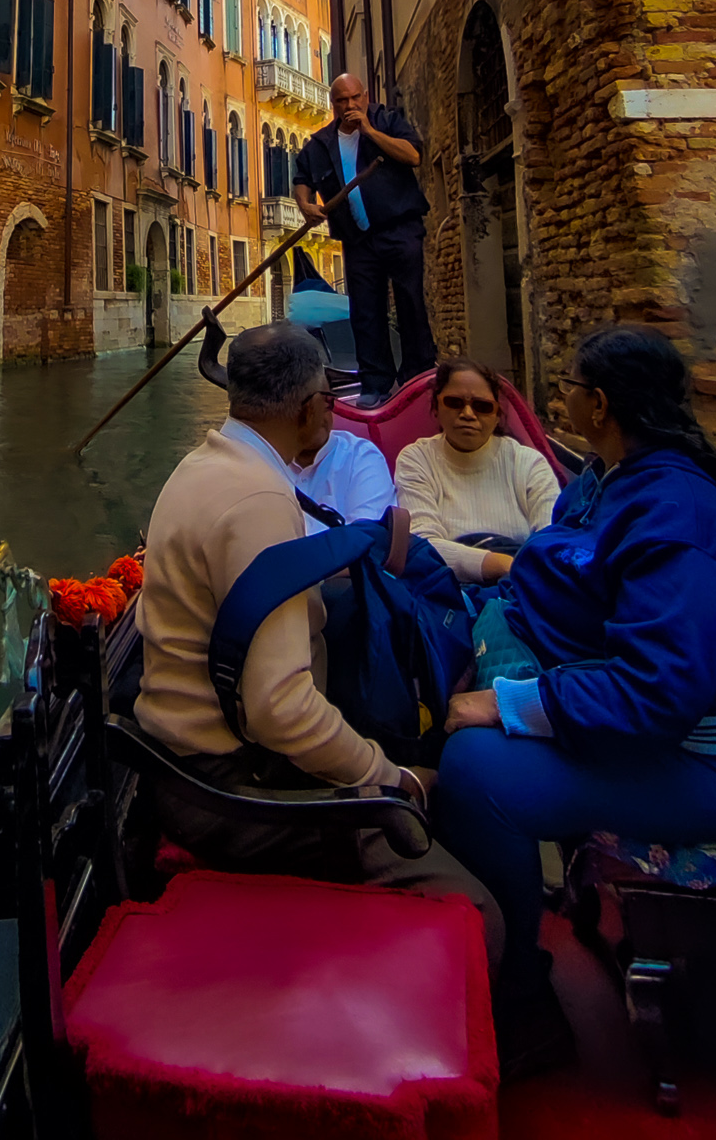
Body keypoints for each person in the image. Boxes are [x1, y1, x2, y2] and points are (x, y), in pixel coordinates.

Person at [433, 326, 716, 1073]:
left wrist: (508, 702)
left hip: (713, 768)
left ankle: (521, 995)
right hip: (647, 722)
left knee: (473, 770)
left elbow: (656, 691)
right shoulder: (613, 478)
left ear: (597, 405)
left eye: (568, 386)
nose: (560, 398)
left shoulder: (679, 521)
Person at [134, 322, 504, 964]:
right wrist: (390, 779)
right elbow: (279, 708)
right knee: (477, 913)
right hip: (233, 789)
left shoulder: (200, 465)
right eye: (329, 399)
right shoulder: (260, 498)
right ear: (310, 408)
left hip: (185, 761)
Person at [293, 75, 434, 404]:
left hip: (400, 229)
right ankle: (375, 384)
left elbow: (413, 155)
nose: (350, 105)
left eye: (355, 98)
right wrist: (304, 204)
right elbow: (302, 177)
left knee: (410, 302)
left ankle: (418, 375)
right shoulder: (321, 144)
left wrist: (370, 131)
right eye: (342, 101)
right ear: (333, 104)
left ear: (365, 96)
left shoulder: (388, 121)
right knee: (365, 311)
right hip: (357, 239)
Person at [196, 307, 394, 536]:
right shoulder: (244, 470)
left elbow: (369, 542)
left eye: (328, 400)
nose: (322, 413)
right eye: (320, 401)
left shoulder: (359, 457)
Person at [396, 359, 561, 584]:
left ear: (497, 414)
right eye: (454, 403)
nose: (467, 414)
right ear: (436, 408)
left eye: (482, 407)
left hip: (524, 585)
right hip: (449, 589)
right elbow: (422, 544)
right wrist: (502, 565)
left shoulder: (527, 462)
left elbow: (552, 537)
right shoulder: (417, 460)